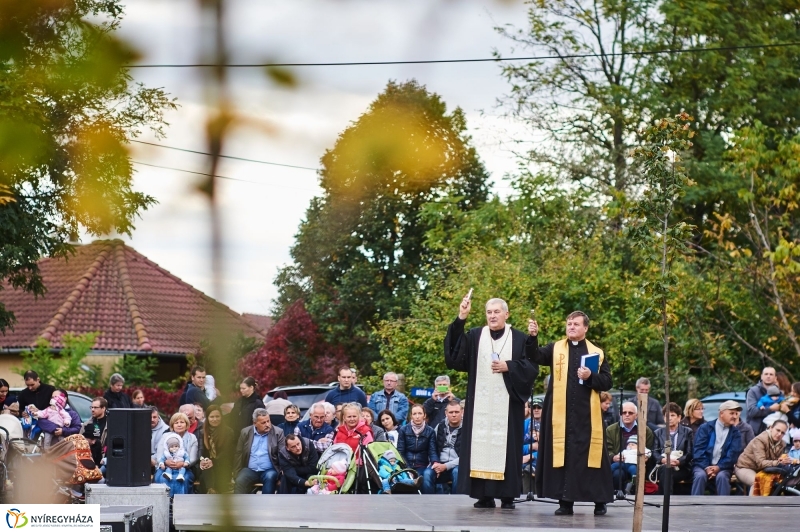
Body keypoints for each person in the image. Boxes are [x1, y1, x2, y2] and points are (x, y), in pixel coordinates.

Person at [444, 295, 538, 510]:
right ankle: (484, 495)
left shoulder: (520, 338)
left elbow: (531, 367)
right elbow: (455, 357)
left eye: (497, 312)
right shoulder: (476, 336)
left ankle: (507, 496)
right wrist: (461, 318)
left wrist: (509, 366)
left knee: (507, 448)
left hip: (507, 407)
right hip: (480, 407)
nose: (493, 315)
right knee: (480, 445)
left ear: (506, 314)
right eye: (489, 312)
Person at [528, 311, 613, 516]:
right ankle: (565, 502)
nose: (571, 327)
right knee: (563, 456)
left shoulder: (596, 352)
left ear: (585, 328)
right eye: (569, 323)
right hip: (560, 415)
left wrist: (590, 376)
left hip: (586, 416)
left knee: (592, 457)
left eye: (576, 324)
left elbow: (607, 382)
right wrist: (532, 337)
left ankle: (599, 500)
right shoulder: (556, 348)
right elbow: (535, 356)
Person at [691, 400, 743, 496]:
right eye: (731, 413)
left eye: (736, 413)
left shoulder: (736, 433)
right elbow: (698, 451)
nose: (735, 416)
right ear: (721, 413)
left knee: (722, 477)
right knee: (700, 476)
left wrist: (719, 467)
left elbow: (733, 455)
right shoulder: (705, 428)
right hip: (702, 465)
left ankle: (723, 508)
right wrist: (707, 468)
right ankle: (695, 506)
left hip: (723, 468)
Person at [606, 402, 654, 493]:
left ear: (636, 415)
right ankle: (616, 498)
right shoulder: (610, 430)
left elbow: (650, 449)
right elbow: (607, 450)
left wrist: (646, 457)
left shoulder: (645, 430)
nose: (627, 415)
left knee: (636, 474)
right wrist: (614, 457)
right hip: (620, 463)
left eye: (630, 413)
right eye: (624, 412)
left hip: (637, 464)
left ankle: (634, 494)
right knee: (617, 474)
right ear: (620, 414)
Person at [233, 408, 284, 494]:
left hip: (269, 470)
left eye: (268, 421)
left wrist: (282, 476)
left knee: (270, 477)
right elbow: (239, 453)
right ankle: (239, 506)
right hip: (250, 470)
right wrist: (236, 473)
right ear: (255, 423)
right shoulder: (245, 432)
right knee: (240, 480)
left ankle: (265, 506)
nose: (267, 424)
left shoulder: (278, 432)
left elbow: (283, 454)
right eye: (263, 423)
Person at [734, 419, 792, 492]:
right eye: (778, 430)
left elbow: (777, 461)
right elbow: (761, 463)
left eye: (783, 433)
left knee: (778, 483)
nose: (779, 434)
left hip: (763, 470)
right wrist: (778, 462)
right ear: (771, 428)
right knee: (756, 482)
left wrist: (783, 460)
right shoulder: (760, 440)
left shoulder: (782, 444)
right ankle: (754, 503)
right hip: (744, 467)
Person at [396, 404, 438, 494]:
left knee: (424, 477)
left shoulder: (430, 431)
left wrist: (435, 462)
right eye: (414, 414)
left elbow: (432, 450)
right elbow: (400, 452)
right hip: (406, 464)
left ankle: (428, 502)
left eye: (420, 413)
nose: (417, 416)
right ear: (411, 416)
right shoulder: (403, 430)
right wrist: (408, 468)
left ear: (424, 415)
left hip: (422, 464)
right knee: (406, 479)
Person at [653, 402, 694, 494]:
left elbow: (690, 452)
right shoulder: (658, 432)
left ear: (679, 418)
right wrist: (663, 460)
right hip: (663, 466)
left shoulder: (687, 432)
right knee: (666, 470)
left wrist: (679, 461)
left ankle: (664, 500)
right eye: (667, 416)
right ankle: (668, 499)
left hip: (681, 467)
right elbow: (655, 452)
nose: (670, 418)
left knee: (667, 474)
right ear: (664, 418)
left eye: (673, 415)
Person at [154, 412, 199, 495]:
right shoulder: (165, 436)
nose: (179, 425)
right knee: (163, 479)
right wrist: (166, 462)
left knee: (184, 479)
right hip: (166, 467)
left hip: (185, 468)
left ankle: (181, 504)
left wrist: (182, 463)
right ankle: (167, 504)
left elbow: (193, 458)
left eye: (182, 422)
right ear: (172, 425)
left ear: (186, 424)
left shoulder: (192, 438)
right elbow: (159, 455)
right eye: (176, 423)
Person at [196, 403, 234, 494]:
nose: (215, 419)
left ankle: (210, 491)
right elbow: (200, 450)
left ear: (221, 417)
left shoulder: (228, 432)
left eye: (217, 416)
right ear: (207, 418)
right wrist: (202, 460)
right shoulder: (201, 432)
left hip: (222, 465)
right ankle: (211, 491)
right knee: (206, 471)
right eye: (212, 417)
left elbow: (227, 453)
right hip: (206, 466)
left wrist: (213, 461)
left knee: (214, 475)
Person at [428, 400, 463, 494]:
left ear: (462, 412)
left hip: (457, 465)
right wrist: (435, 463)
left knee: (457, 473)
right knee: (427, 474)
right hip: (439, 463)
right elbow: (432, 448)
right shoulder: (439, 426)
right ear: (446, 413)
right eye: (451, 412)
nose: (454, 415)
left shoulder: (467, 429)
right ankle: (426, 503)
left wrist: (446, 466)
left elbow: (467, 456)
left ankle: (457, 502)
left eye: (456, 412)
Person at [746, 367, 779, 435]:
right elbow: (752, 412)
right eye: (766, 374)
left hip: (775, 433)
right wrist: (770, 409)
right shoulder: (753, 391)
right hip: (756, 433)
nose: (768, 376)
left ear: (775, 378)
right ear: (761, 376)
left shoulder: (780, 393)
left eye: (771, 374)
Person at [80, 397, 108, 466]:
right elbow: (80, 441)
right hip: (88, 458)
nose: (92, 410)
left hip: (104, 460)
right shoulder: (86, 425)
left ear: (103, 408)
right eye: (91, 407)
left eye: (95, 407)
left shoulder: (110, 424)